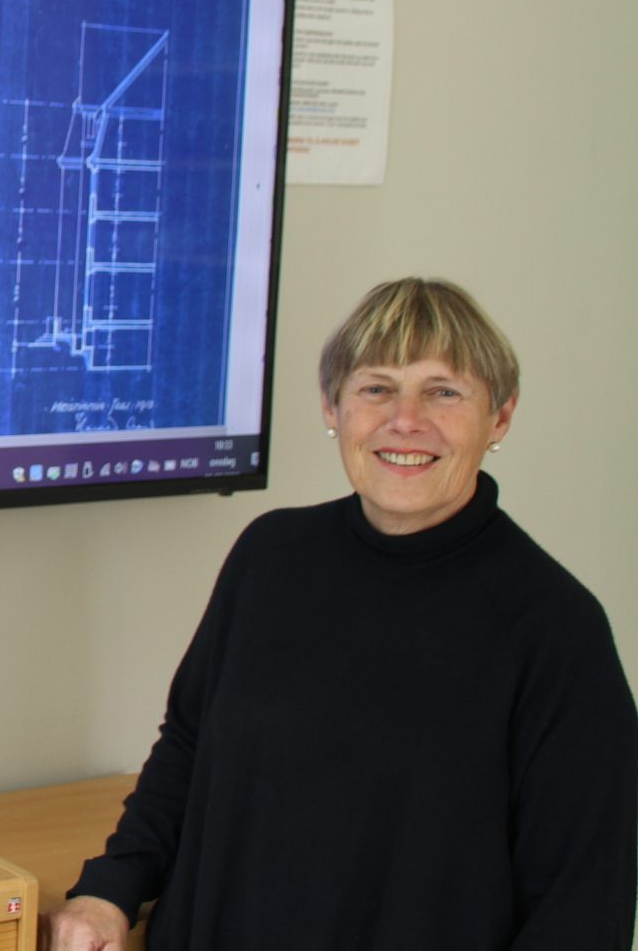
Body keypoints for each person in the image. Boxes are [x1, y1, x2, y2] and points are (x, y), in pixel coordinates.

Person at [43, 278, 637, 950]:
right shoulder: (270, 557)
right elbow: (187, 748)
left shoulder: (556, 631)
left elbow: (581, 913)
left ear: (499, 417)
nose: (405, 419)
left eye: (444, 391)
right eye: (376, 388)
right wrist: (109, 889)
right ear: (333, 407)